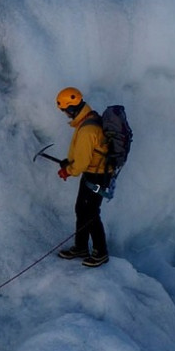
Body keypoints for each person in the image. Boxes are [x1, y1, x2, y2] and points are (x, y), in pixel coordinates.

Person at [54, 87, 110, 267]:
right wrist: (69, 162)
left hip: (97, 176)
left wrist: (68, 170)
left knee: (91, 213)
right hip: (94, 173)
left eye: (65, 111)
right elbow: (84, 154)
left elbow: (82, 164)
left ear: (71, 108)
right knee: (82, 210)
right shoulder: (89, 119)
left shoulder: (87, 129)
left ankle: (101, 252)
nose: (65, 114)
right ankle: (81, 247)